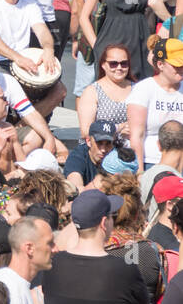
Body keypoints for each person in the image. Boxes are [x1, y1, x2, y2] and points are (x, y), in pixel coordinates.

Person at [128, 38, 183, 173]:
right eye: (176, 65)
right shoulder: (143, 89)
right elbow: (137, 135)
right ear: (160, 64)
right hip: (151, 162)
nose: (181, 68)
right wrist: (140, 172)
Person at [76, 44, 134, 141]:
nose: (119, 67)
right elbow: (85, 131)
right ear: (103, 65)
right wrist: (118, 129)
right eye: (113, 64)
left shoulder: (138, 88)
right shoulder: (92, 91)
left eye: (124, 63)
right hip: (102, 147)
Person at [63, 120, 120, 191]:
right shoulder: (77, 156)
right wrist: (99, 182)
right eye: (99, 143)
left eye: (108, 143)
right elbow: (76, 190)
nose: (103, 150)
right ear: (88, 141)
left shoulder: (118, 157)